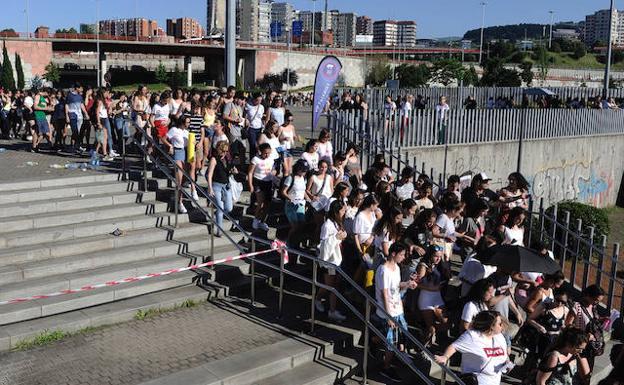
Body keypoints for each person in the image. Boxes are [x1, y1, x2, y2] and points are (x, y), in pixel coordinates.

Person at [375, 242, 418, 382]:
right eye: (402, 254)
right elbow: (384, 294)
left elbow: (397, 286)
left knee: (401, 336)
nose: (403, 257)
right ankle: (385, 367)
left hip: (397, 309)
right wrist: (389, 316)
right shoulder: (383, 270)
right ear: (393, 254)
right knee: (391, 342)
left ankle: (375, 342)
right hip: (388, 312)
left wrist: (408, 284)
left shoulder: (397, 268)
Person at [435, 311, 511, 385]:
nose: (502, 325)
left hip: (495, 381)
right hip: (476, 381)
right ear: (491, 326)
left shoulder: (500, 337)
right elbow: (454, 346)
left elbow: (504, 355)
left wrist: (507, 363)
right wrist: (445, 357)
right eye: (499, 323)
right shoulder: (472, 336)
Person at [316, 200, 349, 322]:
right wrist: (337, 238)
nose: (344, 213)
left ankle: (332, 310)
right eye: (342, 211)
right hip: (328, 261)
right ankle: (318, 299)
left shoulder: (337, 223)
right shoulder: (327, 225)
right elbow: (324, 245)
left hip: (336, 259)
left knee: (334, 285)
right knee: (330, 285)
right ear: (336, 212)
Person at [416, 245, 451, 345]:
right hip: (425, 299)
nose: (438, 259)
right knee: (430, 326)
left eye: (440, 257)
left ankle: (427, 335)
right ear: (430, 255)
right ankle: (424, 345)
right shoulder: (423, 266)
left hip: (437, 298)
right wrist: (432, 288)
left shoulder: (439, 265)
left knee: (446, 322)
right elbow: (417, 284)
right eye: (436, 256)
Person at [566, 285, 607, 371]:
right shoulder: (577, 306)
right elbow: (568, 324)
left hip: (591, 346)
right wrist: (583, 334)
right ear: (588, 295)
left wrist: (602, 319)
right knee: (581, 373)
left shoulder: (593, 307)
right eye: (595, 300)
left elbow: (592, 320)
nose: (597, 302)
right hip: (580, 345)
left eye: (599, 301)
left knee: (589, 372)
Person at [525, 288, 571, 362]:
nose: (559, 304)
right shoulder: (546, 305)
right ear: (554, 297)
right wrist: (539, 327)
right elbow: (530, 319)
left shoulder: (565, 310)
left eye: (563, 302)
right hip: (542, 339)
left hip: (555, 341)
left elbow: (563, 325)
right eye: (558, 300)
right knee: (536, 360)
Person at [206, 140, 237, 236]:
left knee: (229, 208)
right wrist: (210, 188)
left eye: (226, 151)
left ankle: (216, 216)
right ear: (218, 150)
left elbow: (228, 172)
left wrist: (233, 171)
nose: (224, 153)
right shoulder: (214, 159)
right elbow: (209, 175)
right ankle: (219, 231)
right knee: (220, 208)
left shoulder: (227, 159)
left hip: (226, 186)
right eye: (223, 151)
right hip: (216, 186)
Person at [162, 115, 190, 214]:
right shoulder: (174, 129)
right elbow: (164, 138)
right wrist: (170, 145)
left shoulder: (186, 132)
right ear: (182, 122)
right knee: (179, 178)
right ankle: (180, 203)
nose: (188, 124)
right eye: (187, 122)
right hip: (177, 153)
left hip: (185, 154)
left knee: (184, 180)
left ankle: (178, 198)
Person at [281, 159, 311, 247]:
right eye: (303, 170)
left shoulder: (303, 178)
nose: (304, 172)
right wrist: (289, 198)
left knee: (302, 224)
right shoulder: (290, 178)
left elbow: (303, 191)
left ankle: (296, 240)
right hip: (291, 204)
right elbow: (283, 191)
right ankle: (288, 242)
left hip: (301, 203)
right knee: (295, 225)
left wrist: (308, 199)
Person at [247, 142, 276, 232]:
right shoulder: (255, 159)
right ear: (261, 152)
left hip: (268, 182)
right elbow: (250, 172)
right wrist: (250, 185)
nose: (267, 155)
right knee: (261, 202)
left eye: (268, 153)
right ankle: (255, 220)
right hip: (258, 182)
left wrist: (274, 173)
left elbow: (273, 169)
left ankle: (262, 221)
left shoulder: (271, 159)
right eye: (265, 153)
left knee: (267, 204)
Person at [65, 83, 89, 153]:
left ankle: (75, 146)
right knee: (75, 131)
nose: (82, 89)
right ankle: (75, 146)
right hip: (72, 115)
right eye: (81, 88)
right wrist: (67, 115)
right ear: (77, 88)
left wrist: (85, 113)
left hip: (79, 116)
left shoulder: (80, 96)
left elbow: (82, 105)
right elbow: (66, 105)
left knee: (78, 132)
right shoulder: (70, 95)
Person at [245, 93, 265, 160]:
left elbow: (262, 117)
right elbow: (244, 115)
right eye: (257, 100)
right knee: (253, 145)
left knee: (260, 145)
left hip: (259, 128)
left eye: (260, 100)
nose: (259, 102)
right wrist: (246, 120)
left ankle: (258, 160)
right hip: (251, 128)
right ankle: (252, 160)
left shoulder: (261, 107)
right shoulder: (248, 105)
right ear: (253, 99)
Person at [279, 110, 297, 176]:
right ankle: (283, 184)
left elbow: (294, 136)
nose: (289, 122)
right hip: (283, 149)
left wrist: (295, 137)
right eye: (288, 120)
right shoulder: (281, 127)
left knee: (289, 169)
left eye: (291, 120)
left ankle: (286, 183)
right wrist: (284, 138)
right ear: (284, 119)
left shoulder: (292, 127)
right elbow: (277, 139)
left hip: (290, 148)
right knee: (286, 169)